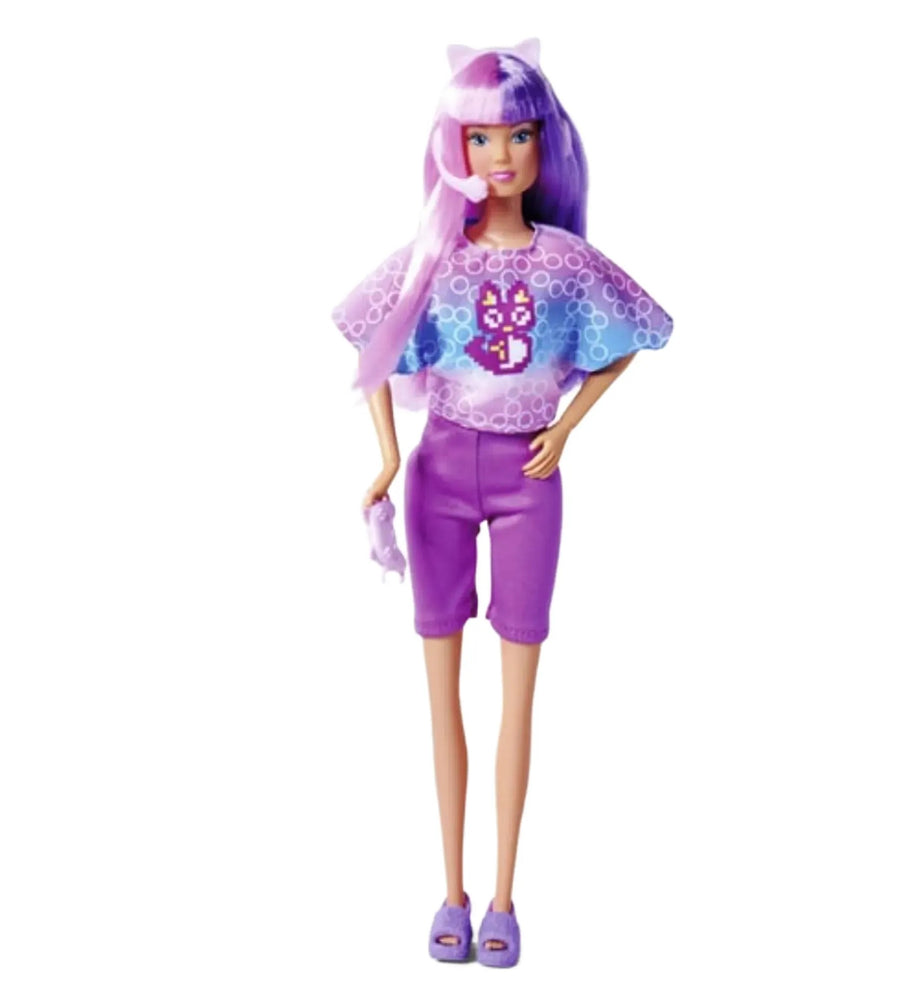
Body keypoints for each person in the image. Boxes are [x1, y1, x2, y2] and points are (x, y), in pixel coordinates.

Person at [331, 37, 673, 967]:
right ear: (455, 148)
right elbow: (371, 341)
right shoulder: (434, 257)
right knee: (441, 691)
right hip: (439, 474)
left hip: (530, 479)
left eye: (518, 136)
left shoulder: (567, 261)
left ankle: (504, 899)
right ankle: (450, 889)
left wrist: (568, 429)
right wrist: (387, 457)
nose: (501, 155)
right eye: (481, 138)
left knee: (518, 691)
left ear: (542, 145)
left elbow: (633, 335)